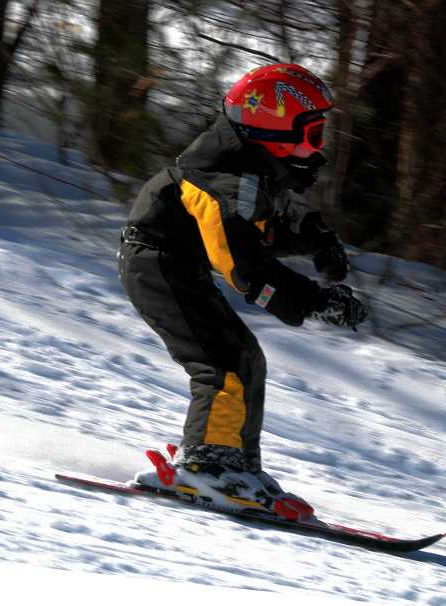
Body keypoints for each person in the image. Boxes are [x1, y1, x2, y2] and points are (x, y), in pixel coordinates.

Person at [117, 63, 367, 520]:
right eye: (311, 134)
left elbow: (262, 226)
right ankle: (209, 465)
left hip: (175, 266)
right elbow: (243, 265)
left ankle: (236, 466)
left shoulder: (243, 171)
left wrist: (314, 236)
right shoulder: (222, 183)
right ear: (272, 127)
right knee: (223, 365)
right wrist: (314, 300)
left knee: (245, 358)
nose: (318, 148)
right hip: (157, 267)